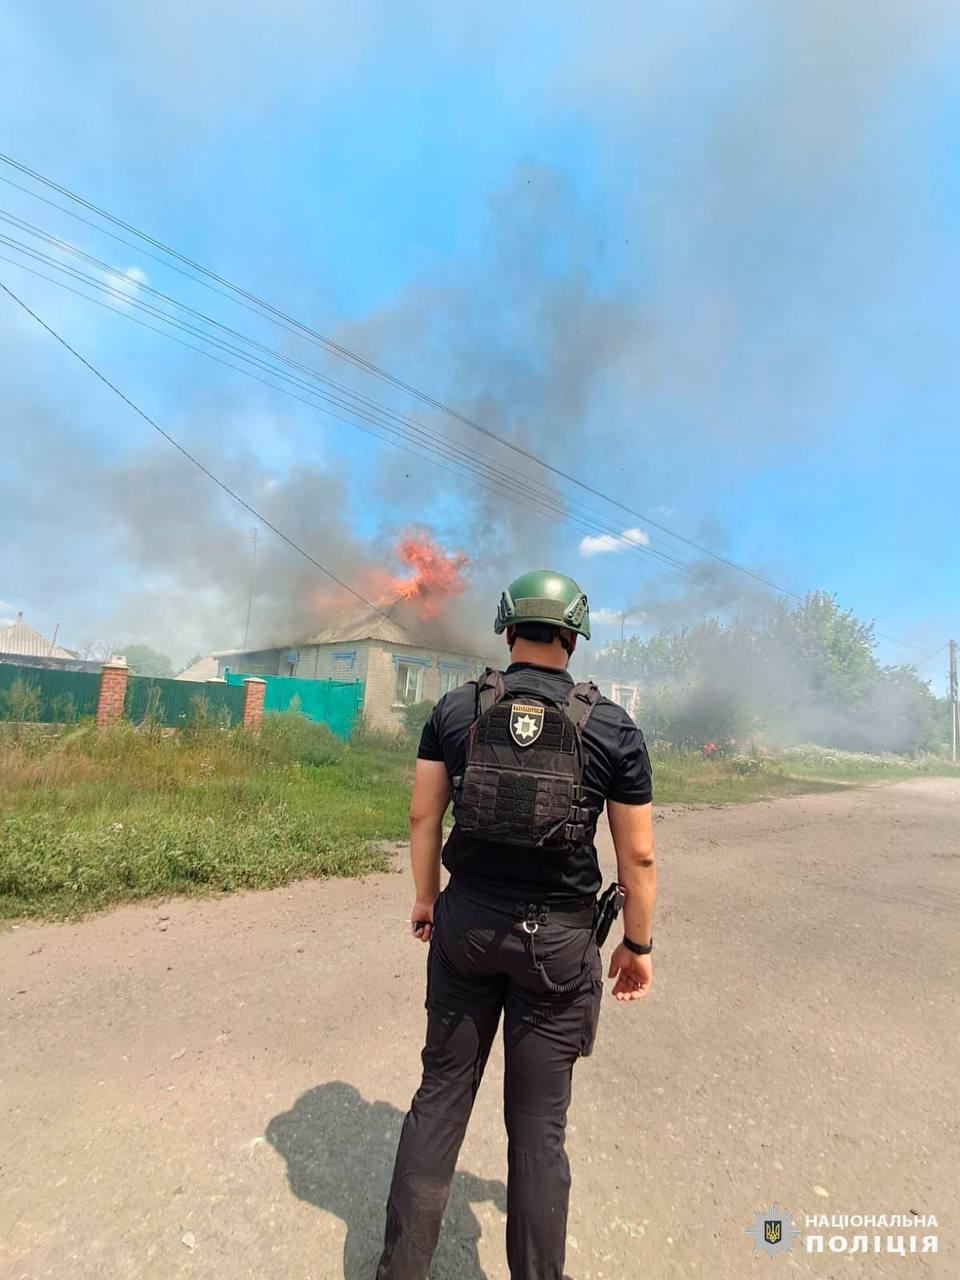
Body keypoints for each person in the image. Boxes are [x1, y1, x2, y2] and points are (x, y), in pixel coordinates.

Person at [376, 570, 656, 1280]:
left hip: (465, 926)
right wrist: (638, 945)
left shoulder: (455, 708)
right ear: (574, 634)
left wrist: (425, 898)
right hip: (559, 945)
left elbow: (421, 817)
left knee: (439, 1100)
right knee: (537, 1133)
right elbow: (640, 856)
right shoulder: (614, 727)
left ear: (507, 631)